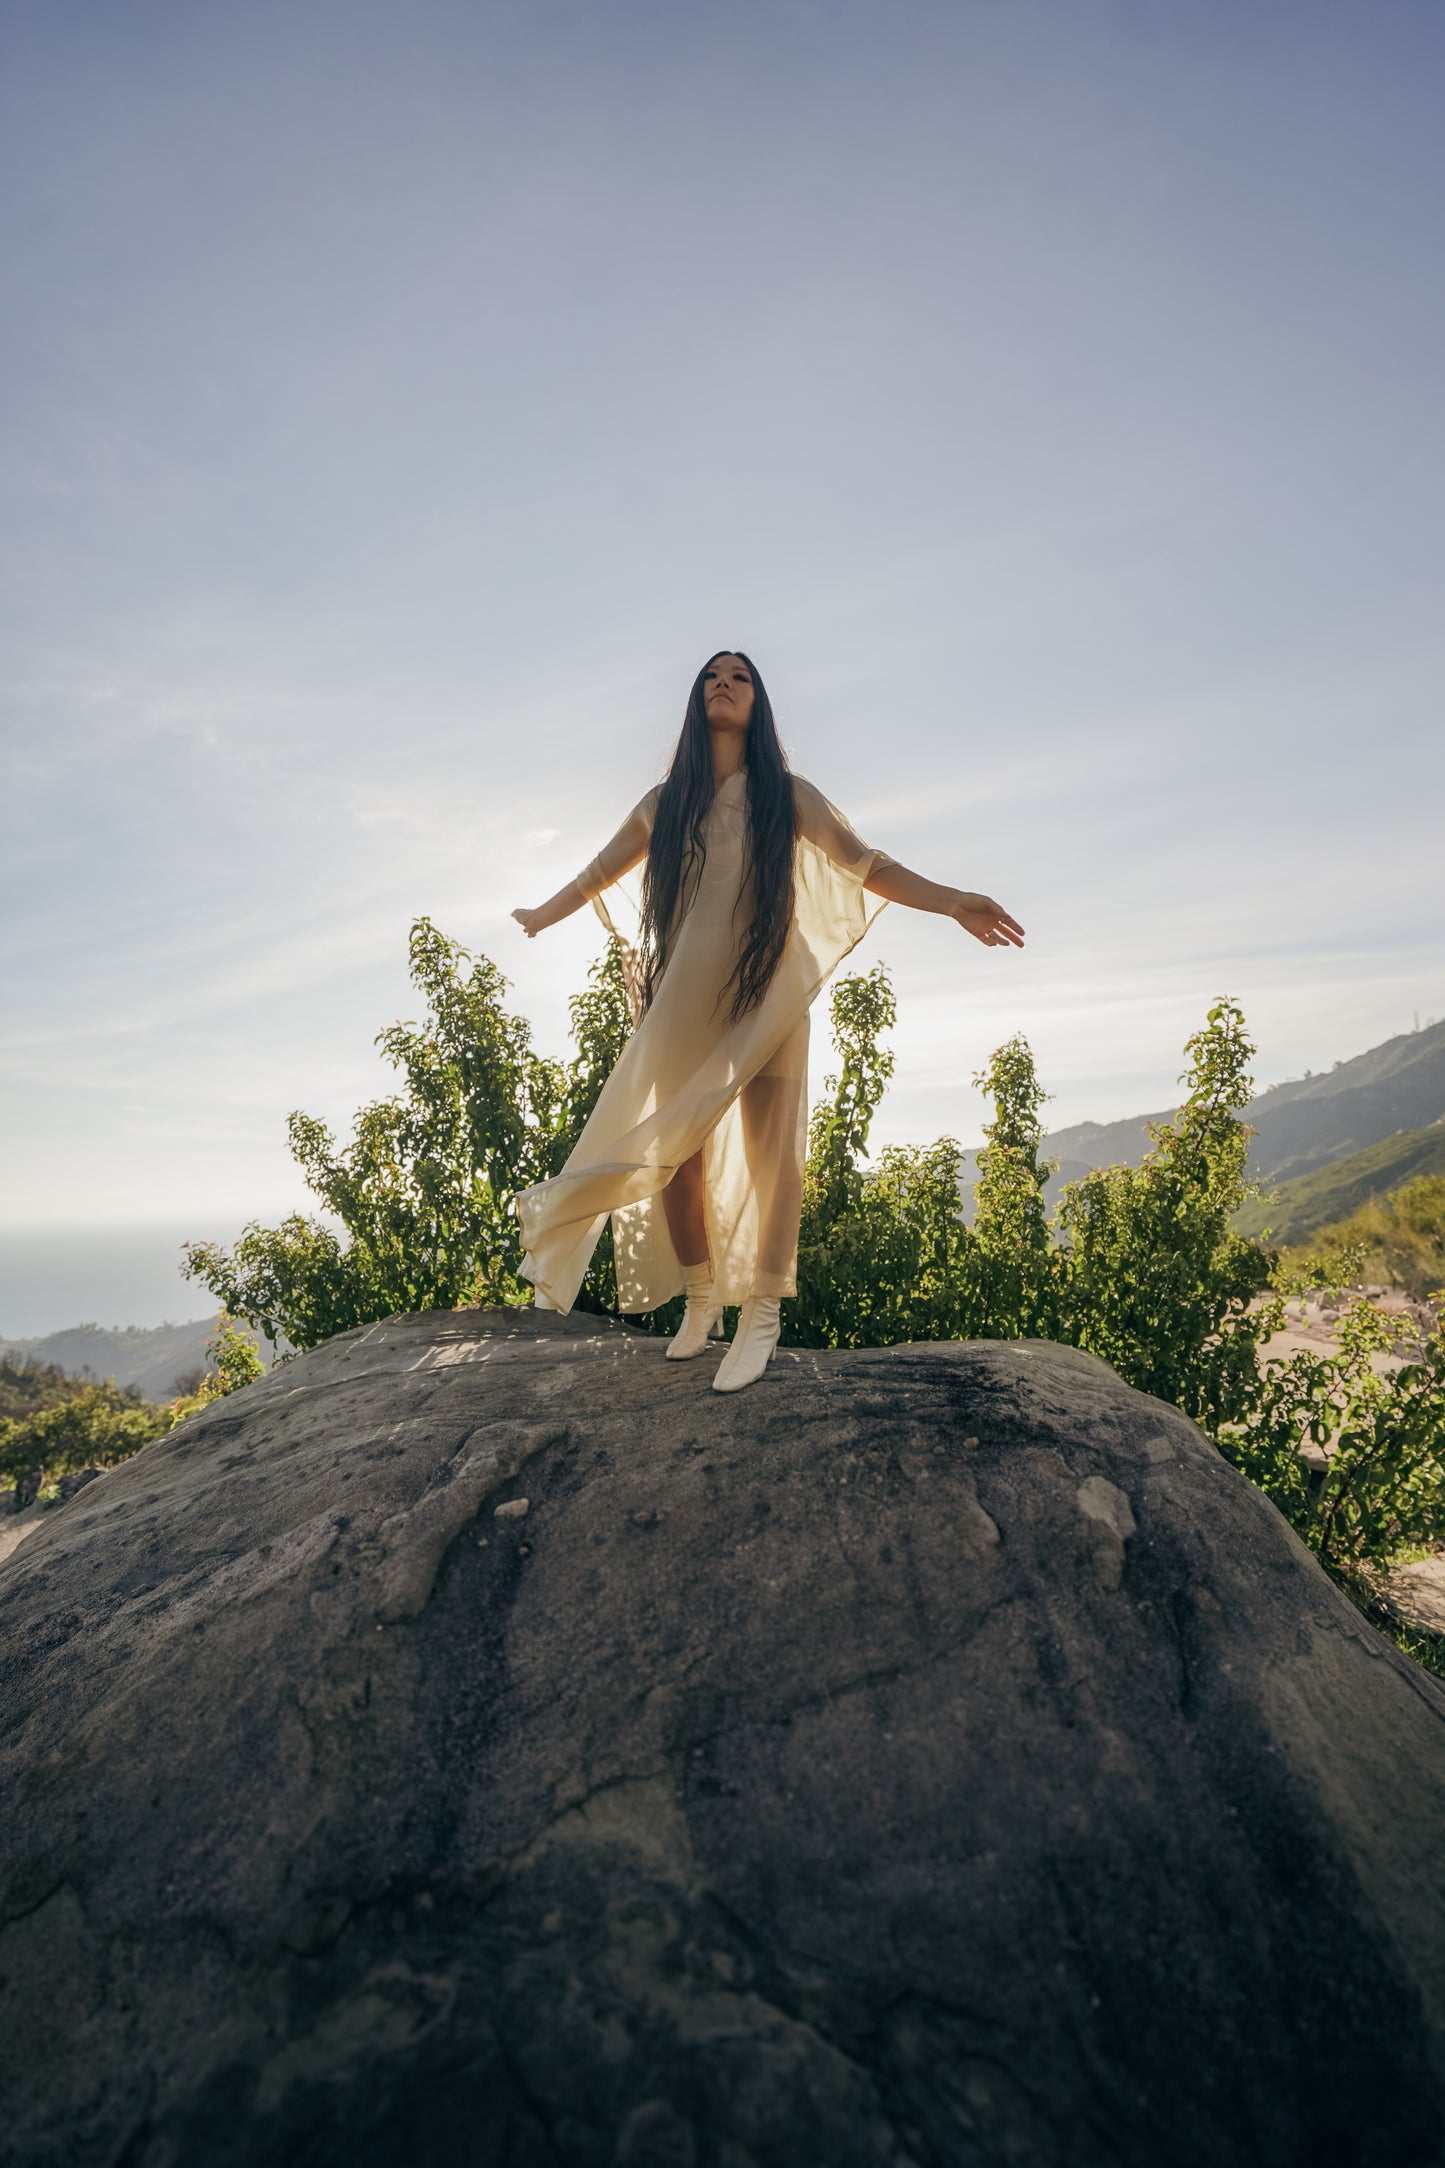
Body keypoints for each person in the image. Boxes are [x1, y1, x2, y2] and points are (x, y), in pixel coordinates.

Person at [511, 651, 1024, 1391]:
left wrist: (950, 900)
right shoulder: (666, 803)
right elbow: (598, 871)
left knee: (770, 1155)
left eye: (739, 676)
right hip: (683, 997)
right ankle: (699, 1300)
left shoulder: (788, 795)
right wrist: (539, 915)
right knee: (674, 1162)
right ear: (695, 701)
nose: (723, 682)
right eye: (711, 676)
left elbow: (864, 862)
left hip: (766, 990)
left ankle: (759, 1312)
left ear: (758, 702)